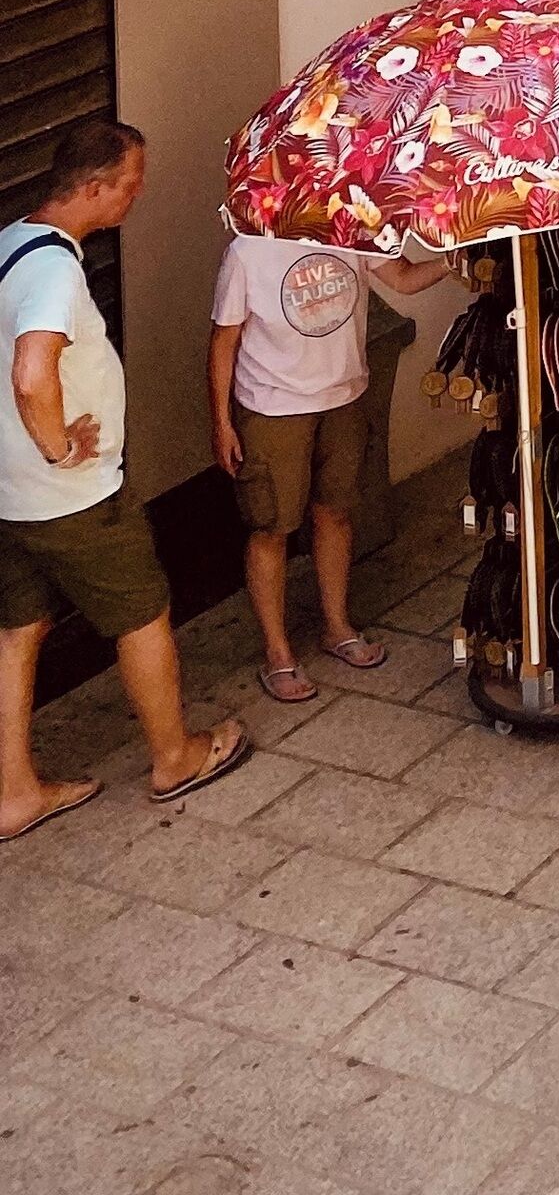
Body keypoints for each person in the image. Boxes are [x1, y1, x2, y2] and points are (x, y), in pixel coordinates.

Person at [2, 120, 247, 840]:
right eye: (132, 184)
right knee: (142, 613)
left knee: (18, 630)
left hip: (11, 494)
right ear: (94, 186)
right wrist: (58, 446)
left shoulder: (13, 240)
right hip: (68, 498)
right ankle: (175, 756)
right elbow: (31, 370)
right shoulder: (53, 269)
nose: (137, 196)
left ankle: (14, 792)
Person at [209, 224, 442, 704]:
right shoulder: (248, 250)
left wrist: (459, 258)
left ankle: (337, 627)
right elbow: (223, 341)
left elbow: (402, 278)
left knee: (335, 511)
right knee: (271, 525)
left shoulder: (349, 227)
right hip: (272, 406)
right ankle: (278, 653)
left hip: (344, 395)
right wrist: (221, 422)